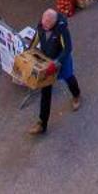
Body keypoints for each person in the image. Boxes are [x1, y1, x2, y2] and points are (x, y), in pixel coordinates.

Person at [31, 7, 81, 135]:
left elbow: (68, 48)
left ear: (54, 22)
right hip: (47, 63)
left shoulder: (62, 29)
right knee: (45, 92)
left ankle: (76, 95)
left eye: (48, 24)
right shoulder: (42, 25)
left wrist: (57, 62)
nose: (45, 26)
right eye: (43, 23)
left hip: (61, 62)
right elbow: (35, 39)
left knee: (69, 78)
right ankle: (42, 124)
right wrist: (28, 54)